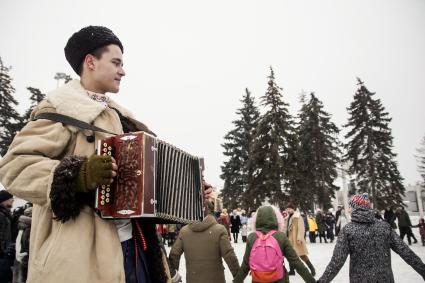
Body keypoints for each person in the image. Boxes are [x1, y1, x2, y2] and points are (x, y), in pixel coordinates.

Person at [0, 26, 212, 283]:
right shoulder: (62, 111)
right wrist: (78, 175)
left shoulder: (122, 120)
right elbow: (14, 166)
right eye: (116, 62)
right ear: (90, 62)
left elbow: (143, 193)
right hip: (81, 258)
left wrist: (190, 190)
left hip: (136, 250)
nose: (123, 71)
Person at [318, 193, 425, 282]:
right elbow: (406, 252)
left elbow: (337, 262)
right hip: (385, 279)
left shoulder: (348, 230)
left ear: (356, 208)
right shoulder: (384, 227)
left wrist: (322, 281)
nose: (349, 210)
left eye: (350, 207)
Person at [233, 205, 316, 283]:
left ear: (257, 219)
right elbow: (296, 262)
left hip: (258, 278)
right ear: (275, 218)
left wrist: (236, 281)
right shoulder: (280, 236)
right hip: (278, 278)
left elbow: (245, 265)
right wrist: (311, 281)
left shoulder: (252, 237)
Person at [169, 202, 239, 283]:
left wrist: (174, 276)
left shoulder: (184, 231)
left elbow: (174, 255)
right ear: (211, 211)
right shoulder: (219, 230)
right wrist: (238, 276)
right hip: (216, 279)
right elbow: (229, 255)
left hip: (193, 279)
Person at [284, 204, 316, 276]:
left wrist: (299, 238)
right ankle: (292, 270)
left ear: (293, 209)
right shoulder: (287, 218)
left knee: (302, 255)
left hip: (296, 239)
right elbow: (285, 229)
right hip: (289, 239)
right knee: (290, 255)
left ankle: (312, 269)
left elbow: (301, 228)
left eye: (289, 209)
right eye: (287, 209)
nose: (288, 210)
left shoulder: (297, 217)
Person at [13, 205, 32, 283]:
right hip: (26, 260)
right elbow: (27, 245)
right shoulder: (29, 228)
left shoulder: (22, 227)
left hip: (20, 259)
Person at [0, 190, 14, 282]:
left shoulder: (5, 214)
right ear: (3, 200)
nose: (13, 200)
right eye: (10, 198)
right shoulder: (1, 215)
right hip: (2, 256)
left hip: (5, 255)